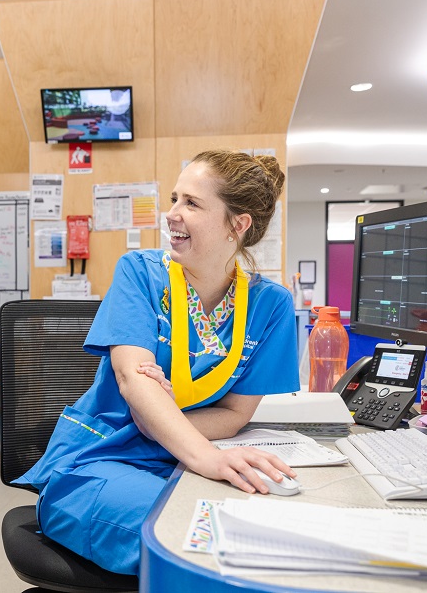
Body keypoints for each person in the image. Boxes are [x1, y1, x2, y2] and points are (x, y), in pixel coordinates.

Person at [17, 150, 299, 575]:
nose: (172, 214)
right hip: (102, 458)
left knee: (265, 535)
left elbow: (236, 414)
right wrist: (200, 452)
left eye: (192, 203)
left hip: (179, 459)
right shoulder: (140, 273)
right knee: (203, 540)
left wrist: (158, 419)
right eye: (174, 198)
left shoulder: (270, 305)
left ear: (237, 225)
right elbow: (134, 380)